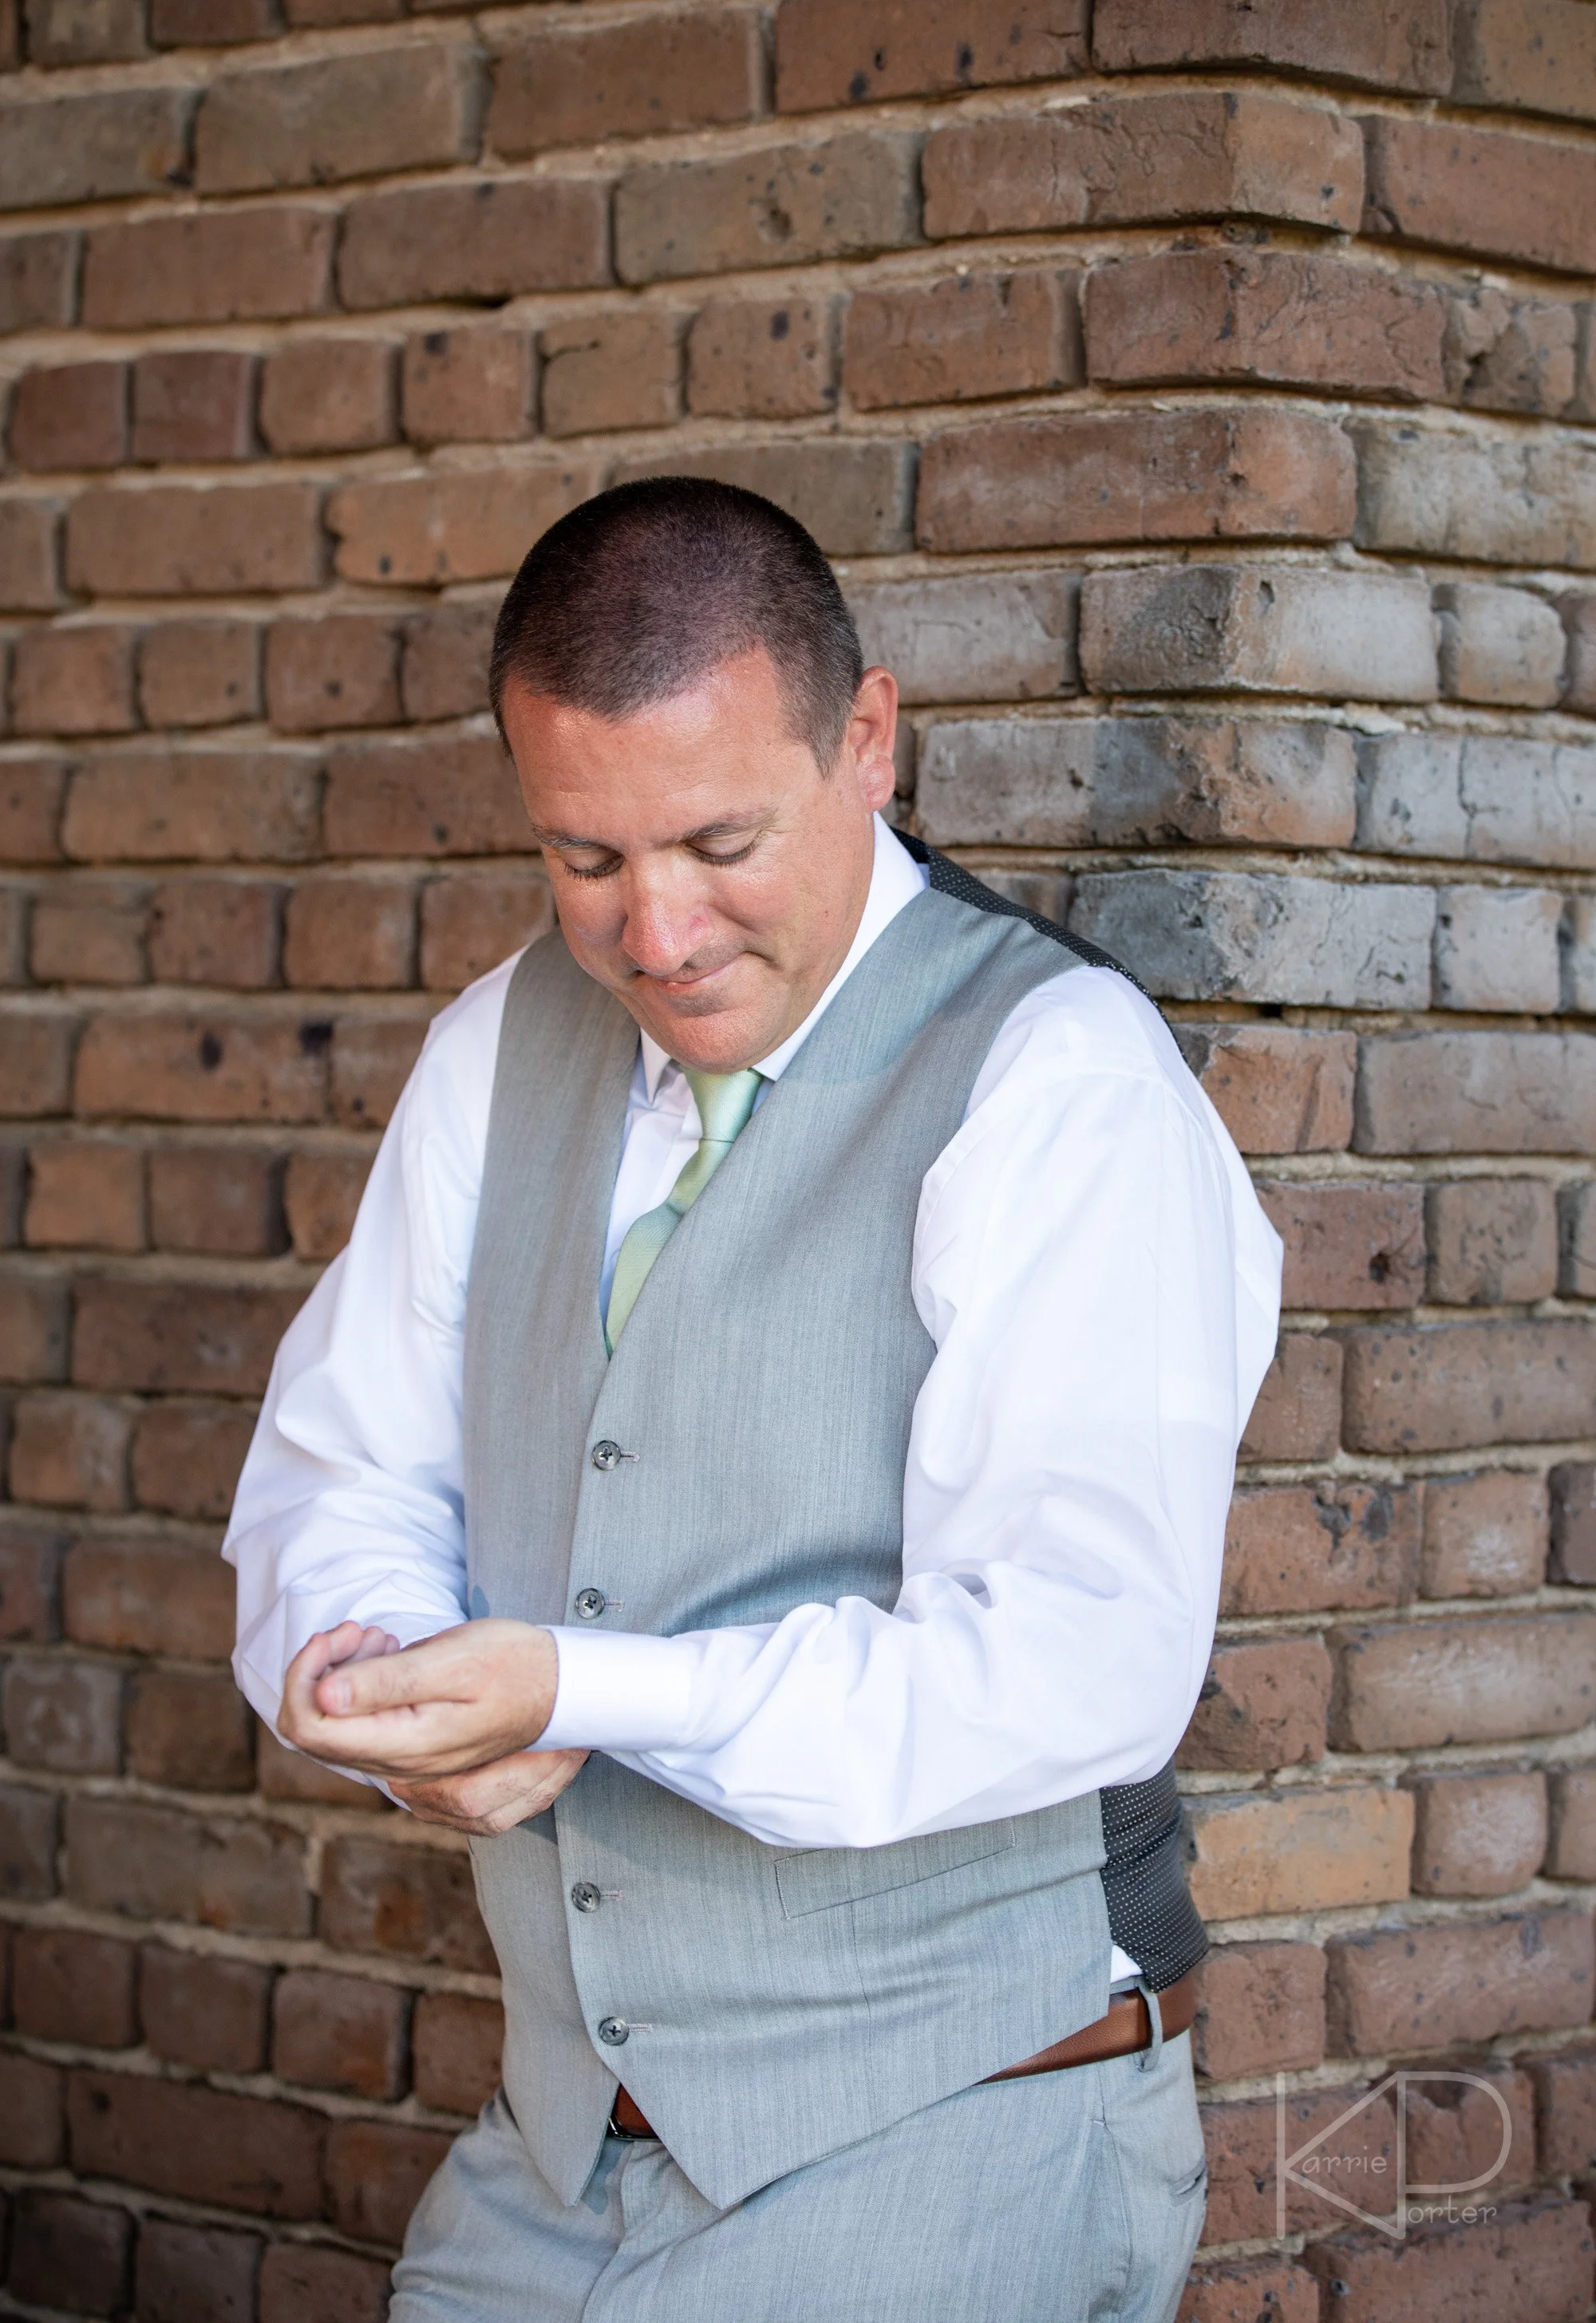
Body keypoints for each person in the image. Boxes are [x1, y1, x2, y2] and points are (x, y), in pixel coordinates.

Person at [225, 476, 1282, 2322]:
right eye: (582, 859)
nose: (655, 932)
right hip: (559, 2151)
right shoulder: (498, 1050)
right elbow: (344, 1465)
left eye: (719, 841)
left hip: (947, 2132)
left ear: (865, 739)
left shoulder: (1056, 1083)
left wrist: (583, 1688)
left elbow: (1073, 1658)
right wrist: (370, 1666)